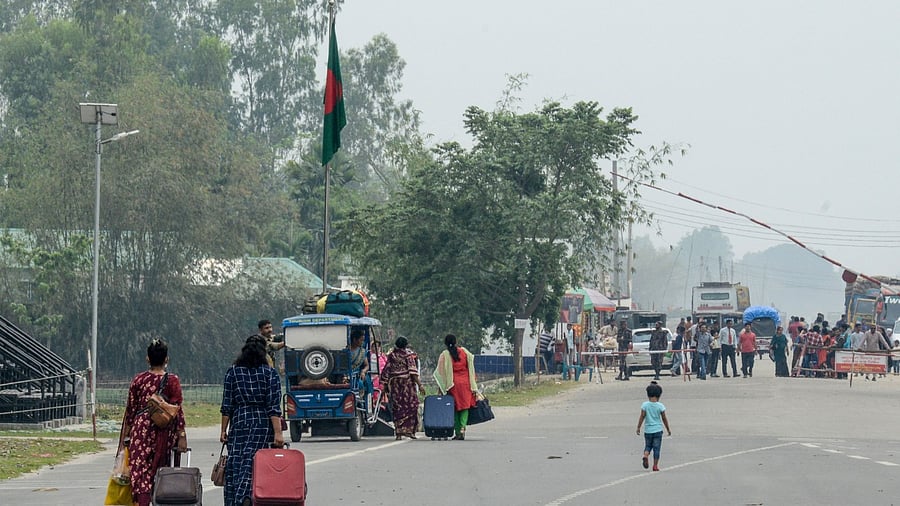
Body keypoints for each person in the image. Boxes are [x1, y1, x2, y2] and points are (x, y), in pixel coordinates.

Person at [122, 339, 187, 506]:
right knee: (161, 471)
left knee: (140, 473)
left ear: (147, 359)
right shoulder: (172, 380)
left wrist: (126, 436)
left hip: (140, 430)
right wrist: (181, 434)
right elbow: (177, 409)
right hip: (164, 430)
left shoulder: (138, 380)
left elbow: (131, 411)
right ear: (167, 359)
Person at [220, 335, 284, 506]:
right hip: (262, 423)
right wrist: (278, 433)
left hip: (239, 422)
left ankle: (236, 499)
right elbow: (273, 406)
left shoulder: (233, 372)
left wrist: (223, 431)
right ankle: (248, 496)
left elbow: (227, 405)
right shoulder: (269, 373)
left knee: (237, 462)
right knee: (256, 462)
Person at [433, 334, 479, 441]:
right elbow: (470, 367)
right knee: (465, 406)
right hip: (466, 383)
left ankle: (458, 432)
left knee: (455, 408)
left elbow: (440, 372)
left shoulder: (444, 355)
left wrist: (441, 387)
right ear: (456, 341)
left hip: (452, 384)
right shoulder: (465, 352)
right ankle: (463, 428)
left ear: (445, 343)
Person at [380, 336, 426, 439]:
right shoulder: (408, 356)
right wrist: (420, 385)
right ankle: (410, 431)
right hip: (407, 386)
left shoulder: (391, 355)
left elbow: (386, 370)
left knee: (398, 408)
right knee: (412, 407)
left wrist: (384, 384)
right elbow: (413, 372)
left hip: (395, 386)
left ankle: (399, 433)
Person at [636, 381, 671, 472]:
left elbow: (642, 416)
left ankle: (645, 455)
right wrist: (668, 429)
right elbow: (664, 418)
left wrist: (638, 427)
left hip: (648, 430)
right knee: (656, 448)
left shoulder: (645, 405)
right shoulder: (660, 406)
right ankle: (655, 465)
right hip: (658, 430)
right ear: (659, 395)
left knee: (648, 446)